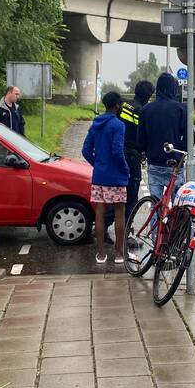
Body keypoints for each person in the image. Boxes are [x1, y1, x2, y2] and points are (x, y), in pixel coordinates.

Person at [82, 91, 130, 264]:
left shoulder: (95, 124)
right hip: (116, 176)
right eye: (121, 105)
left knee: (100, 213)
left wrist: (98, 164)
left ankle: (101, 254)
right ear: (117, 106)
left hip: (100, 176)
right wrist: (125, 168)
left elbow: (86, 150)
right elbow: (117, 151)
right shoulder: (118, 125)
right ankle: (118, 254)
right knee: (119, 213)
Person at [104, 80, 155, 233]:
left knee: (117, 195)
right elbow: (145, 135)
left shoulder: (124, 105)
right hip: (132, 156)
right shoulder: (142, 111)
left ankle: (103, 226)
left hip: (116, 153)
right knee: (131, 197)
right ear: (148, 96)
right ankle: (126, 233)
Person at [137, 72, 187, 201]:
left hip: (154, 163)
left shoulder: (146, 110)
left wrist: (146, 151)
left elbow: (140, 141)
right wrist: (181, 153)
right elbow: (189, 139)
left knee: (156, 203)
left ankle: (156, 214)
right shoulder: (181, 109)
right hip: (175, 164)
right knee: (178, 205)